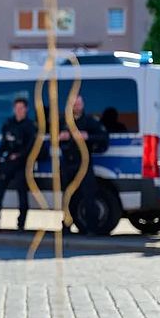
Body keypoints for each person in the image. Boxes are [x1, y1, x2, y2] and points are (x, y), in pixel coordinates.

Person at [59, 95, 109, 234]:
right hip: (67, 164)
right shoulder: (64, 121)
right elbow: (51, 138)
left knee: (89, 196)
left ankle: (91, 228)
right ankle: (66, 227)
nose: (76, 107)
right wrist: (60, 137)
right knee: (68, 196)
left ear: (82, 105)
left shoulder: (90, 121)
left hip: (84, 164)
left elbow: (103, 138)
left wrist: (87, 136)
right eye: (74, 104)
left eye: (78, 104)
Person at [0, 97, 37, 232]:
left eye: (21, 108)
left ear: (26, 109)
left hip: (22, 164)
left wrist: (19, 155)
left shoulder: (30, 126)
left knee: (22, 194)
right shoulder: (9, 124)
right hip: (8, 163)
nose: (19, 111)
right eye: (17, 108)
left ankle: (21, 225)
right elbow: (4, 143)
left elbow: (31, 146)